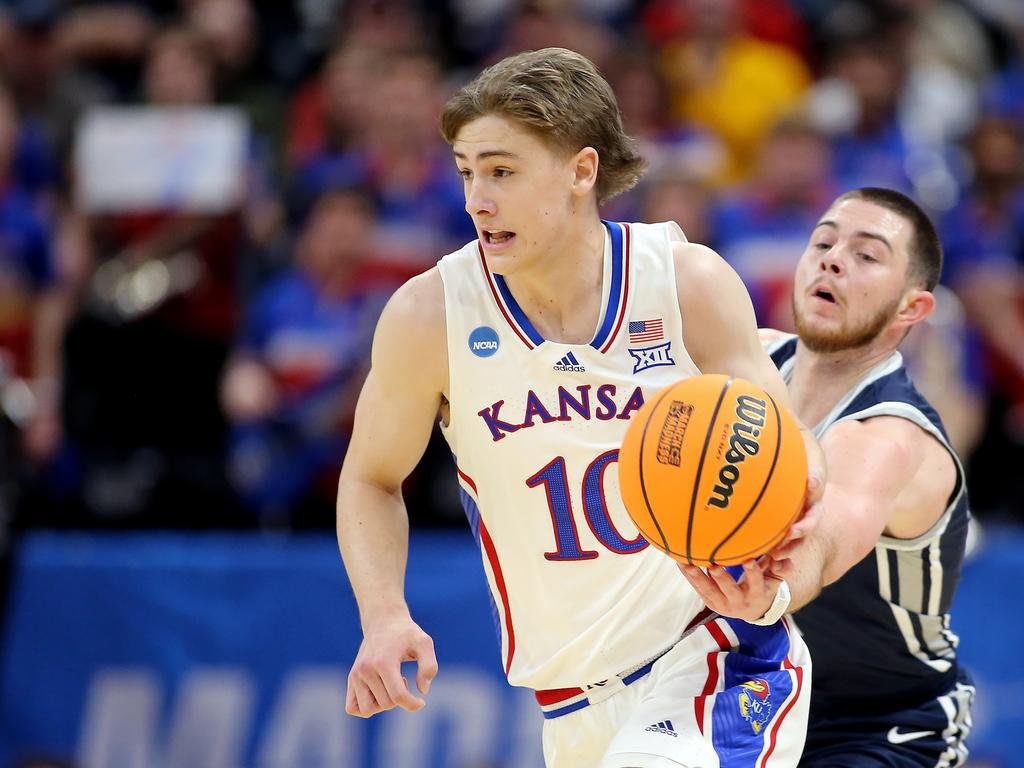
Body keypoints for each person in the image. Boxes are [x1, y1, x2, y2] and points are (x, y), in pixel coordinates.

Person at [336, 48, 826, 768]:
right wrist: (383, 616)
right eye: (468, 171)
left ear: (581, 171)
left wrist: (786, 534)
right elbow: (371, 478)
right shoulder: (428, 317)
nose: (477, 198)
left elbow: (790, 448)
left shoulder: (684, 283)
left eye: (502, 171)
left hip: (716, 658)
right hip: (570, 706)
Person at [682, 188, 975, 766]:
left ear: (911, 309)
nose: (833, 258)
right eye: (823, 241)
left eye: (867, 255)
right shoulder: (752, 365)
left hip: (878, 729)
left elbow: (828, 535)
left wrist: (775, 591)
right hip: (748, 702)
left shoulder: (891, 435)